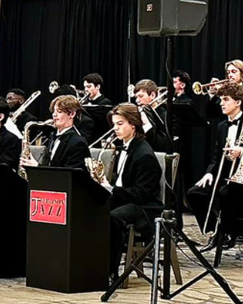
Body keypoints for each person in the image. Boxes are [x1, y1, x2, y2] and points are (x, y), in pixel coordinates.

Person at [186, 82, 243, 247]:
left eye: (226, 100)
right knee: (194, 193)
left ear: (238, 102)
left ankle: (228, 232)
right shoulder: (221, 127)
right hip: (225, 175)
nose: (221, 103)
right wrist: (209, 172)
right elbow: (217, 156)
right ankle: (217, 231)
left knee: (226, 193)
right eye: (221, 99)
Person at [95, 104, 163, 280]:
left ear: (133, 124)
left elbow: (141, 194)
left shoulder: (144, 154)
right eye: (114, 124)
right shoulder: (125, 147)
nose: (115, 129)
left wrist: (112, 189)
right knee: (92, 207)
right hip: (127, 199)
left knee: (113, 218)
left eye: (120, 124)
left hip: (146, 208)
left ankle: (110, 271)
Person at [20, 95, 90, 172]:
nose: (54, 114)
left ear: (72, 114)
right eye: (54, 111)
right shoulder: (52, 137)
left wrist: (37, 167)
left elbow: (69, 175)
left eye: (59, 111)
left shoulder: (78, 143)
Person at [133, 79, 171, 153]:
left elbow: (162, 145)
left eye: (140, 96)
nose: (137, 100)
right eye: (136, 97)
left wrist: (147, 124)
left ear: (152, 95)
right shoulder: (141, 112)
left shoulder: (165, 115)